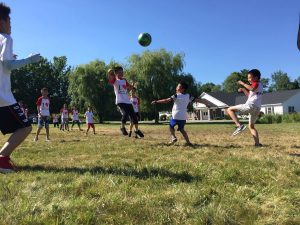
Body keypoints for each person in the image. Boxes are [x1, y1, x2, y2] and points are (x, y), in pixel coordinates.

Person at [0, 3, 42, 172]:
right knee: (25, 127)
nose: (11, 25)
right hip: (3, 96)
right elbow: (8, 64)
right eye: (9, 21)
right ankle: (2, 159)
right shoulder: (5, 38)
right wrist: (29, 60)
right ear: (1, 22)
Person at [152, 81, 206, 146]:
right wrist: (206, 103)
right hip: (183, 117)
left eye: (178, 86)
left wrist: (156, 101)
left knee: (171, 126)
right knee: (182, 130)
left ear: (182, 89)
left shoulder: (176, 96)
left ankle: (173, 137)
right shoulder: (188, 96)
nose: (176, 87)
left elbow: (166, 100)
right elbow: (197, 100)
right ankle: (188, 142)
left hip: (176, 115)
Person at [226, 69, 263, 147]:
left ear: (256, 77)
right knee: (251, 126)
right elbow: (249, 95)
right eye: (248, 78)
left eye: (250, 78)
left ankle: (239, 126)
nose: (249, 80)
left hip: (251, 106)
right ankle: (257, 144)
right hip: (257, 108)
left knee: (229, 109)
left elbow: (252, 89)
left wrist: (242, 83)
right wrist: (243, 90)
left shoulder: (256, 83)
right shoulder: (260, 86)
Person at [107, 67, 144, 138]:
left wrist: (133, 86)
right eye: (120, 72)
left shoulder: (124, 80)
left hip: (127, 101)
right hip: (120, 101)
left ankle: (136, 130)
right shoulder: (115, 80)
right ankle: (122, 127)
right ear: (116, 73)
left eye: (122, 72)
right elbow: (110, 78)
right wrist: (109, 72)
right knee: (125, 114)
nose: (122, 73)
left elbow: (128, 86)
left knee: (134, 117)